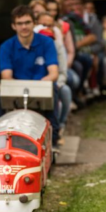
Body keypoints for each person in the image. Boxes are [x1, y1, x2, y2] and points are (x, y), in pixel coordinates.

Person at [0, 5, 60, 147]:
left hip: (42, 87)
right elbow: (6, 76)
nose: (24, 27)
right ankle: (2, 138)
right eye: (20, 23)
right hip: (17, 88)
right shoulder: (6, 47)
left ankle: (54, 139)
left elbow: (54, 73)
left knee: (53, 90)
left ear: (34, 23)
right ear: (14, 26)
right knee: (1, 96)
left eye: (27, 22)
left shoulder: (47, 42)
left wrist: (40, 84)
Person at [36, 12, 72, 141]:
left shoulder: (56, 45)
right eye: (43, 24)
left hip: (51, 82)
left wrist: (54, 82)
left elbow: (61, 71)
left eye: (50, 25)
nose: (46, 28)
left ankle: (57, 131)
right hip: (35, 84)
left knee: (61, 92)